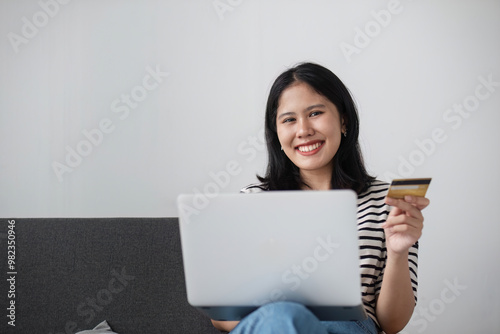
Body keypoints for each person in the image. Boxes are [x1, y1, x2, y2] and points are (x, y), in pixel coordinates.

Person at [211, 62, 430, 334]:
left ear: (344, 120)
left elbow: (392, 324)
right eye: (289, 119)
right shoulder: (251, 202)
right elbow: (222, 320)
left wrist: (398, 252)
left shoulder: (386, 202)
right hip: (270, 325)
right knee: (282, 317)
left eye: (315, 113)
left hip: (347, 327)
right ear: (277, 134)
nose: (303, 130)